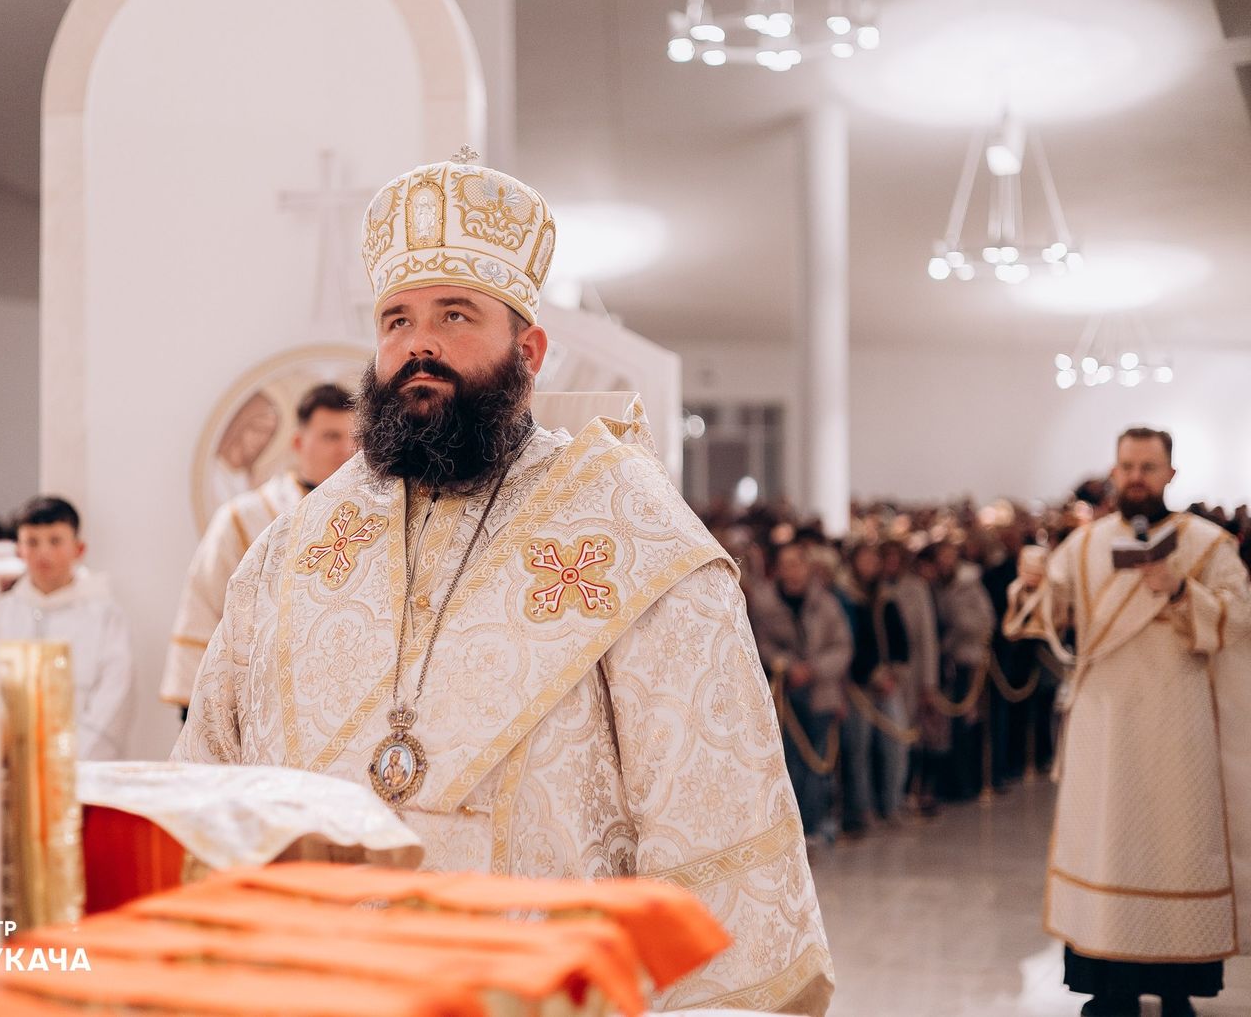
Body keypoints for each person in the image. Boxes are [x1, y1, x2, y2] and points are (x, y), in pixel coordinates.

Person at [175, 152, 833, 1014]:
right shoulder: (293, 549)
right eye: (397, 320)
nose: (419, 342)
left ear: (530, 352)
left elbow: (709, 806)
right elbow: (214, 779)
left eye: (455, 314)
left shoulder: (629, 531)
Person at [1006, 427, 1250, 1017]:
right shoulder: (1084, 545)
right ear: (1115, 473)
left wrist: (1180, 592)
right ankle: (1109, 987)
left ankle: (1175, 989)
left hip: (1180, 728)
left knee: (1178, 848)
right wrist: (1031, 583)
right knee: (1106, 846)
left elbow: (1239, 617)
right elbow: (1047, 618)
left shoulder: (1208, 545)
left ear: (1171, 474)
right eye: (1127, 466)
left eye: (1148, 467)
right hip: (1106, 726)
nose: (1136, 477)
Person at [159, 383, 356, 721]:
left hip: (341, 698)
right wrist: (193, 702)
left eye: (355, 439)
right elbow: (204, 604)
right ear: (298, 443)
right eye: (331, 437)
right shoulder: (246, 518)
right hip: (259, 700)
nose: (345, 450)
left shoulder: (372, 521)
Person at [0, 495, 134, 760]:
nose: (43, 552)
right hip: (12, 759)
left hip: (82, 761)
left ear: (79, 549)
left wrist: (69, 758)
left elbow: (115, 695)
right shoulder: (0, 613)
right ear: (19, 550)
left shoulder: (105, 616)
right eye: (32, 542)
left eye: (55, 541)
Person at [748, 541, 853, 846]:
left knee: (818, 762)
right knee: (790, 763)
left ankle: (815, 825)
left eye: (796, 564)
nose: (791, 571)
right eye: (785, 565)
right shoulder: (766, 605)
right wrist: (787, 665)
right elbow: (761, 643)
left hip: (821, 692)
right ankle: (792, 829)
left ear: (807, 567)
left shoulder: (827, 603)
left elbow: (842, 646)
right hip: (786, 695)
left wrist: (814, 669)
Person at [835, 542, 910, 833]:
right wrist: (871, 673)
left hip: (889, 681)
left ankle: (892, 803)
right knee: (859, 749)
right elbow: (848, 641)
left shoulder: (886, 596)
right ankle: (863, 808)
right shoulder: (845, 597)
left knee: (896, 743)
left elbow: (899, 636)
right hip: (859, 685)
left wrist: (893, 671)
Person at [928, 539, 994, 801]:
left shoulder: (969, 585)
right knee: (948, 727)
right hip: (946, 663)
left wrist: (956, 630)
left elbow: (985, 620)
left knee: (967, 723)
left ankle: (969, 781)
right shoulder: (935, 587)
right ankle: (951, 782)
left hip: (968, 660)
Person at [880, 540, 942, 815]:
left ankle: (913, 790)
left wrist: (929, 683)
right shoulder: (878, 589)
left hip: (913, 673)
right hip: (887, 674)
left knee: (914, 733)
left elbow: (927, 637)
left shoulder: (916, 588)